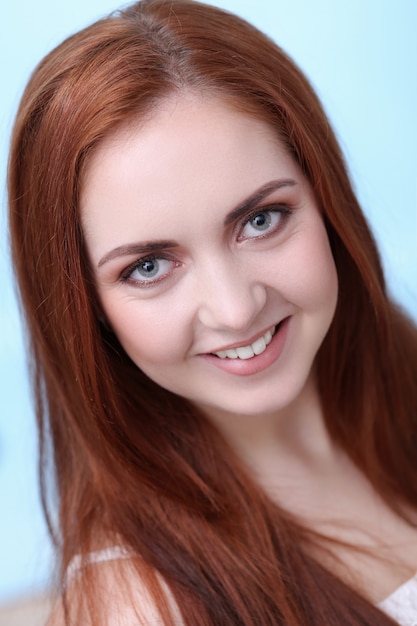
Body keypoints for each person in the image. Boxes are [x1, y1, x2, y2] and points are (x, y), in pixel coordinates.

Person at [7, 0, 417, 624]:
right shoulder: (143, 606)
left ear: (325, 194)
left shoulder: (404, 376)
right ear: (86, 310)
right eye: (148, 266)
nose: (234, 309)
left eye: (260, 220)